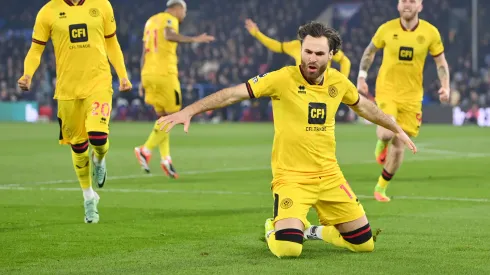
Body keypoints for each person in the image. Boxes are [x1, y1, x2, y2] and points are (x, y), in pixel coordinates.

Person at [157, 21, 417, 258]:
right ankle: (275, 226)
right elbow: (232, 95)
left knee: (364, 244)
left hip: (329, 176)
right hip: (291, 177)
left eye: (318, 53)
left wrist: (395, 128)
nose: (311, 58)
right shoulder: (282, 79)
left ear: (331, 55)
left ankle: (311, 231)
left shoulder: (339, 82)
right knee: (288, 249)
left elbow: (365, 107)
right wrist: (189, 110)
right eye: (307, 51)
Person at [18, 0, 132, 223]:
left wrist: (123, 75)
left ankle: (99, 160)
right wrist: (27, 74)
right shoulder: (48, 11)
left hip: (98, 82)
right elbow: (36, 49)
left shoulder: (102, 5)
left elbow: (112, 44)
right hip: (68, 90)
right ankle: (89, 196)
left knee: (98, 138)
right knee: (78, 146)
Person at [357, 0, 450, 202]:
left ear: (420, 6)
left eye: (412, 1)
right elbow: (369, 52)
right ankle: (381, 142)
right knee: (387, 131)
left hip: (412, 97)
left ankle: (380, 188)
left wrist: (446, 86)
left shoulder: (430, 33)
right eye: (403, 1)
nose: (407, 4)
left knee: (400, 146)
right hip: (387, 91)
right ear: (398, 5)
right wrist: (362, 75)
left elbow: (440, 62)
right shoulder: (386, 29)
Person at [134, 0, 214, 178]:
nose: (184, 16)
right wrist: (194, 39)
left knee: (164, 118)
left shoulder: (150, 21)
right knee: (174, 116)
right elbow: (169, 34)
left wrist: (141, 78)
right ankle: (145, 149)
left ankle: (166, 159)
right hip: (165, 74)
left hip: (148, 73)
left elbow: (143, 52)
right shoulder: (170, 19)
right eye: (184, 12)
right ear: (177, 8)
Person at [245, 18, 351, 78]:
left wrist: (342, 82)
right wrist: (257, 34)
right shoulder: (295, 45)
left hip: (323, 88)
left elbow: (345, 61)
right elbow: (276, 46)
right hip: (302, 89)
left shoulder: (325, 45)